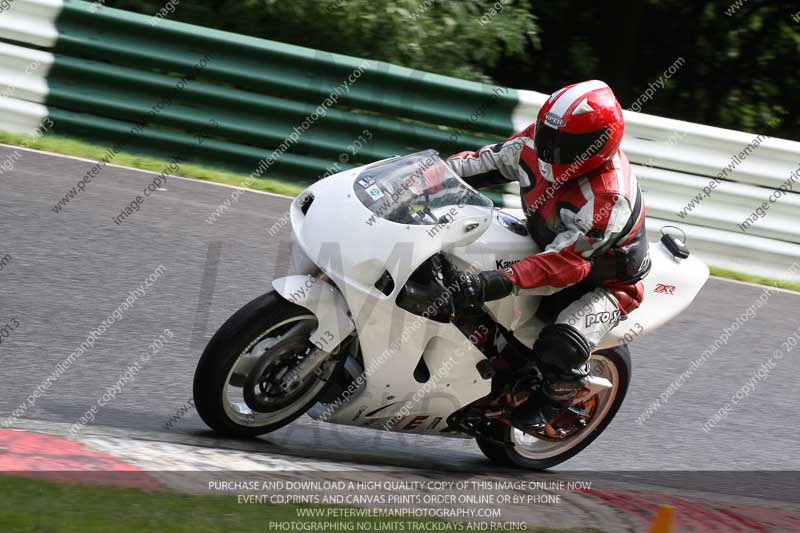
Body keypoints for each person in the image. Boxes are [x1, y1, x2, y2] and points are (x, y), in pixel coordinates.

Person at [445, 80, 650, 434]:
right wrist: (427, 178)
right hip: (544, 243)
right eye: (548, 135)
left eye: (565, 144)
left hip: (602, 281)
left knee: (562, 341)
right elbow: (479, 164)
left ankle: (559, 395)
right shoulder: (531, 144)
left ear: (600, 145)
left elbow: (564, 264)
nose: (550, 150)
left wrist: (494, 281)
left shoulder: (608, 197)